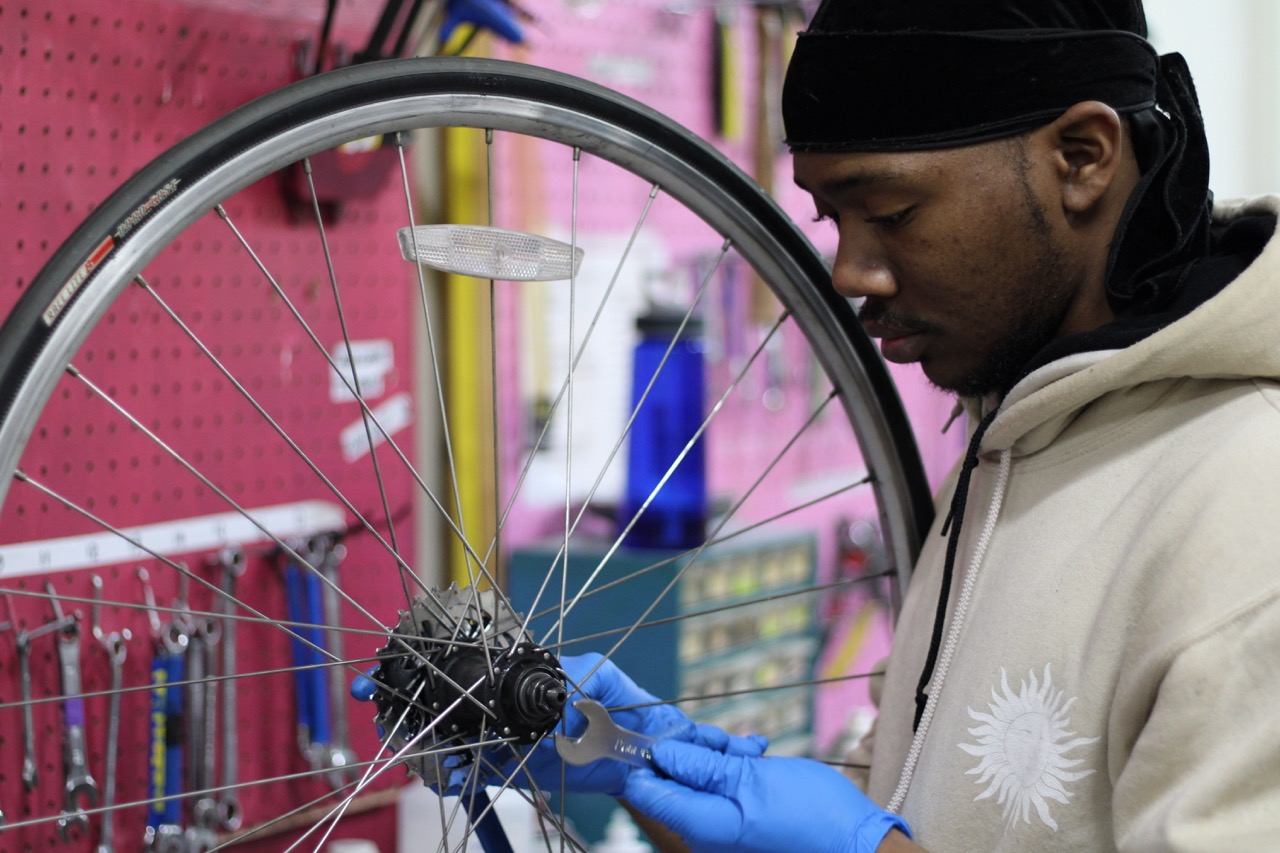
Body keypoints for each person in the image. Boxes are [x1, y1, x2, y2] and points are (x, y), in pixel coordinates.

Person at [516, 1, 1280, 851]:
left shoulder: (1251, 511)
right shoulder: (1012, 449)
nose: (850, 273)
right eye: (832, 220)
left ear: (1082, 157)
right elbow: (913, 805)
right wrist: (647, 769)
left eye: (891, 212)